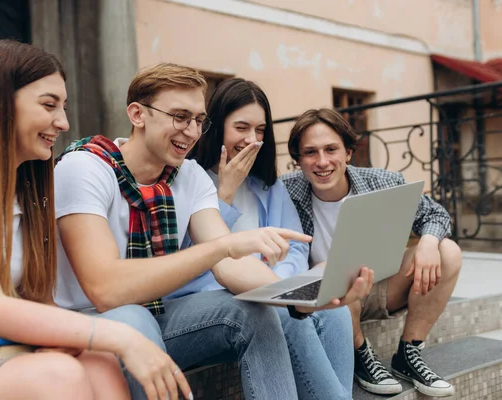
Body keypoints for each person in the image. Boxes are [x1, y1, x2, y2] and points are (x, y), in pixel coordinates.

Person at [54, 63, 373, 400]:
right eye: (180, 116)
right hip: (89, 322)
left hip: (161, 314)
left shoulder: (188, 175)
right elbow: (105, 289)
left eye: (198, 120)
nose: (191, 132)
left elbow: (230, 266)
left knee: (255, 310)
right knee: (134, 318)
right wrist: (226, 246)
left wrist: (305, 298)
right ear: (137, 114)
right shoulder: (86, 167)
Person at [0, 40, 191, 400]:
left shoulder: (28, 185)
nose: (64, 122)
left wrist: (103, 341)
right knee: (60, 375)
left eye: (64, 107)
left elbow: (37, 300)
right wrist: (121, 336)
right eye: (48, 105)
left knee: (99, 362)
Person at [186, 78, 360, 399]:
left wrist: (276, 283)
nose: (252, 139)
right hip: (219, 299)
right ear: (217, 126)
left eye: (260, 130)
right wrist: (225, 191)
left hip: (269, 290)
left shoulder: (267, 185)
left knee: (335, 310)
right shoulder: (192, 178)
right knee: (283, 312)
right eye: (241, 127)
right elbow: (194, 260)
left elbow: (295, 246)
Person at [281, 108, 462, 397]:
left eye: (331, 149)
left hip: (380, 286)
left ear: (349, 152)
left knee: (448, 250)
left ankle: (408, 354)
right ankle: (361, 354)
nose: (322, 161)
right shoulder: (285, 192)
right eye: (310, 152)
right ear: (298, 160)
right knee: (338, 271)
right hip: (328, 299)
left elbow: (436, 214)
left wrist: (428, 241)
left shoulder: (383, 181)